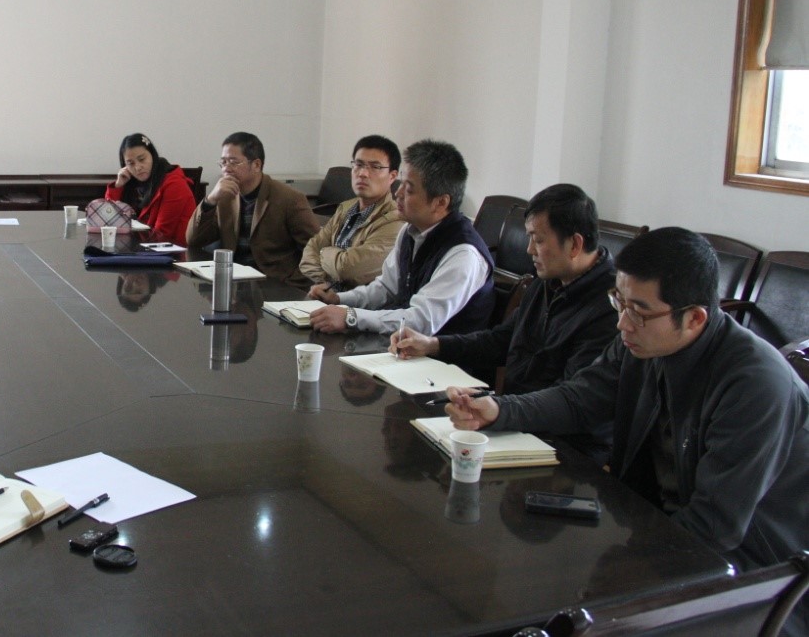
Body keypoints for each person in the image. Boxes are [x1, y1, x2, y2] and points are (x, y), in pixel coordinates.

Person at [447, 227, 809, 634]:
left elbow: (715, 526)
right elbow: (580, 397)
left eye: (638, 311)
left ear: (694, 318)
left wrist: (623, 581)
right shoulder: (644, 341)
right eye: (618, 301)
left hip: (758, 580)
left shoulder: (754, 385)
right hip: (659, 535)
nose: (622, 323)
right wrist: (500, 409)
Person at [394, 183, 617, 460]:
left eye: (538, 240)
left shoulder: (611, 308)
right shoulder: (548, 281)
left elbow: (572, 402)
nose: (529, 250)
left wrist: (500, 409)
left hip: (566, 446)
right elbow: (502, 340)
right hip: (516, 424)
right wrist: (433, 345)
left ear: (575, 244)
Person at [307, 139, 493, 336]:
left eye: (409, 189)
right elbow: (386, 288)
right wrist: (339, 299)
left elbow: (421, 321)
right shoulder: (410, 231)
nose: (398, 193)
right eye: (401, 184)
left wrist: (351, 317)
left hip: (441, 353)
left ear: (440, 202)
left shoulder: (463, 254)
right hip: (402, 345)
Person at [185, 131, 320, 286]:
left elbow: (317, 251)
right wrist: (210, 200)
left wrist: (291, 284)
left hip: (274, 285)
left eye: (233, 162)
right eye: (223, 162)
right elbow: (193, 241)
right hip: (234, 283)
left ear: (256, 165)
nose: (226, 169)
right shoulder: (224, 197)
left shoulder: (289, 199)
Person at [299, 134, 405, 289]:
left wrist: (322, 253)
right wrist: (327, 283)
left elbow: (348, 269)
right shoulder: (345, 208)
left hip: (362, 303)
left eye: (375, 167)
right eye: (359, 164)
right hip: (325, 295)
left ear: (392, 176)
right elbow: (308, 255)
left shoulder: (396, 221)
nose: (363, 173)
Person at [103, 133, 196, 240]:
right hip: (142, 244)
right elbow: (107, 219)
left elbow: (161, 235)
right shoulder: (132, 183)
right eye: (130, 163)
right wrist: (118, 186)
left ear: (152, 155)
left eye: (142, 159)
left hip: (172, 248)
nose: (138, 167)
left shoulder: (174, 184)